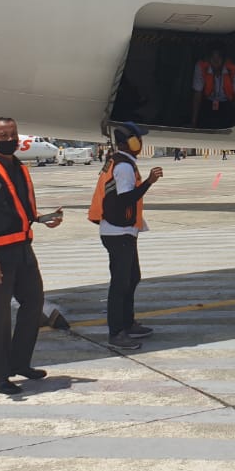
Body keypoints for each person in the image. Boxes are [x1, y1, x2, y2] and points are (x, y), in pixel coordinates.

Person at [0, 117, 61, 396]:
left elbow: (20, 210)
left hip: (22, 249)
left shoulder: (18, 167)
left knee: (34, 303)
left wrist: (44, 218)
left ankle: (20, 362)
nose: (10, 139)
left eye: (13, 134)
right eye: (3, 135)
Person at [95, 122, 163, 352]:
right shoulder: (123, 167)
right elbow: (125, 199)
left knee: (132, 278)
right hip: (118, 232)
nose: (141, 143)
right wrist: (149, 183)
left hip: (121, 230)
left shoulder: (120, 161)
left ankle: (128, 323)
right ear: (126, 143)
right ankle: (117, 333)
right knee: (120, 283)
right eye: (137, 139)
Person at [191, 46, 235, 130]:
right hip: (207, 102)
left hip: (227, 103)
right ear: (208, 58)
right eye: (212, 57)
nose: (215, 61)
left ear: (224, 59)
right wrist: (193, 122)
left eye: (219, 57)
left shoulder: (234, 69)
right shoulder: (201, 66)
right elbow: (197, 94)